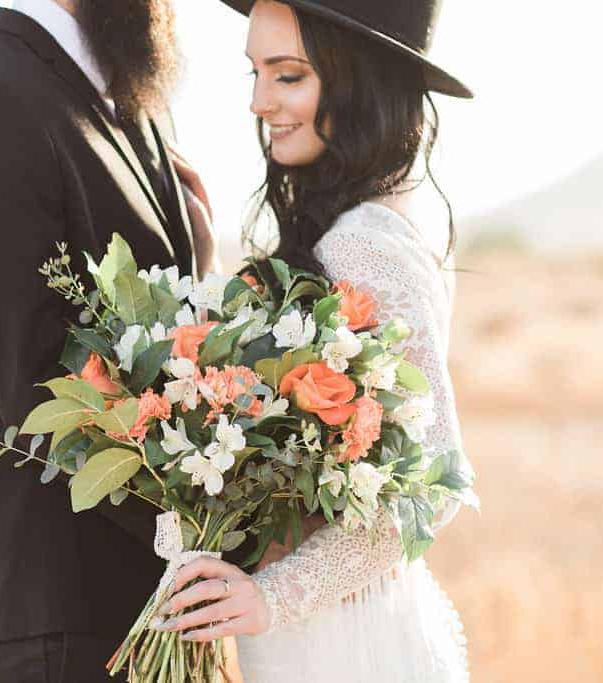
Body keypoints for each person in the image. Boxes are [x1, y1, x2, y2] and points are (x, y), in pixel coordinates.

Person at [0, 1, 251, 680]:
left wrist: (200, 271)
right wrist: (216, 516)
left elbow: (154, 346)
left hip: (160, 594)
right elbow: (39, 391)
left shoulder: (134, 99)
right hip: (63, 613)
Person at [151, 1, 478, 680]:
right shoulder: (368, 220)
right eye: (256, 72)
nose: (258, 100)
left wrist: (272, 595)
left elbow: (432, 484)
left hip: (346, 647)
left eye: (288, 75)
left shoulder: (367, 241)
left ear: (357, 81)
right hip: (321, 635)